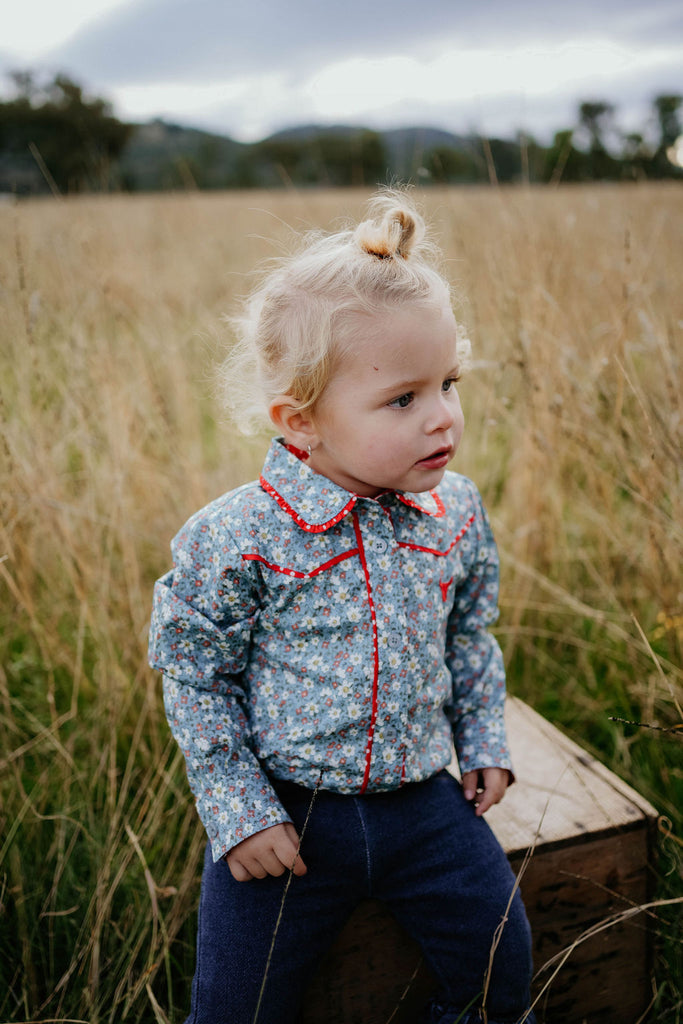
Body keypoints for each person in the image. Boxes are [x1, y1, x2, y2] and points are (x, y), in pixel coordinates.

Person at [148, 190, 536, 1024]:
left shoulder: (453, 511)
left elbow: (469, 632)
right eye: (403, 399)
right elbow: (195, 673)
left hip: (427, 806)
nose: (442, 418)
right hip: (291, 817)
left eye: (447, 383)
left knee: (504, 963)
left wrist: (482, 738)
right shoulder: (242, 535)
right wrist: (239, 812)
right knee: (234, 1006)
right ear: (301, 423)